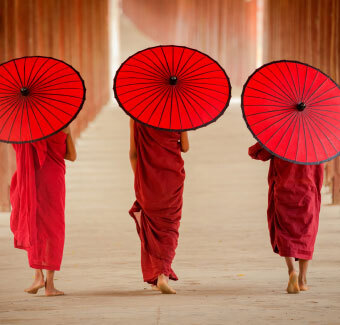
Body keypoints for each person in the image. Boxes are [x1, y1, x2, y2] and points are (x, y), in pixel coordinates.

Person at [248, 142, 323, 294]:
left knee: (284, 231)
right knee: (306, 233)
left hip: (284, 190)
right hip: (307, 192)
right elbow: (319, 175)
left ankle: (292, 271)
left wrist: (268, 141)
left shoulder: (280, 137)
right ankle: (302, 279)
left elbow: (256, 153)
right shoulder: (316, 142)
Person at [10, 126, 76, 296]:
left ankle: (37, 276)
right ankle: (50, 285)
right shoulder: (63, 126)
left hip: (32, 178)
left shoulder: (24, 128)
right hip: (53, 179)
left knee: (33, 221)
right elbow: (72, 156)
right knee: (54, 228)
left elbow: (19, 149)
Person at [129, 118, 189, 294]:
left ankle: (157, 275)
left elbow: (133, 154)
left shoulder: (136, 117)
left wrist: (140, 178)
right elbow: (185, 147)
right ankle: (162, 274)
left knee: (151, 224)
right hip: (172, 178)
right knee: (170, 225)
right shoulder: (178, 115)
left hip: (146, 179)